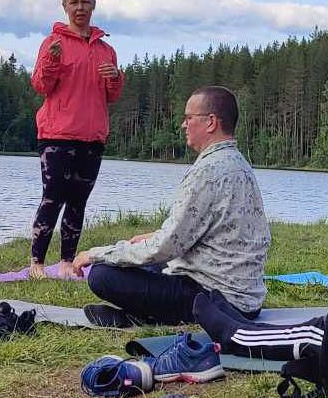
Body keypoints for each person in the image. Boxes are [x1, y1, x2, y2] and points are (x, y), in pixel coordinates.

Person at [58, 86, 268, 327]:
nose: (183, 125)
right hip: (244, 299)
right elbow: (207, 230)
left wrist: (94, 254)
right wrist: (154, 236)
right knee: (144, 260)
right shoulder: (238, 163)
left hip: (218, 301)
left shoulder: (208, 171)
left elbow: (163, 248)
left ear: (211, 122)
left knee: (102, 275)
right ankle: (139, 316)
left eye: (189, 118)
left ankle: (143, 317)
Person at [0, 0, 125, 282]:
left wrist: (116, 77)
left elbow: (113, 96)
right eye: (74, 2)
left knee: (78, 201)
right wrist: (51, 63)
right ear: (65, 6)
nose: (80, 7)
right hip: (56, 133)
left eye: (85, 1)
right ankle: (37, 262)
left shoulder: (106, 50)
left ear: (94, 5)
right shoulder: (53, 43)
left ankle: (67, 261)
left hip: (92, 135)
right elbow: (41, 85)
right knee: (53, 196)